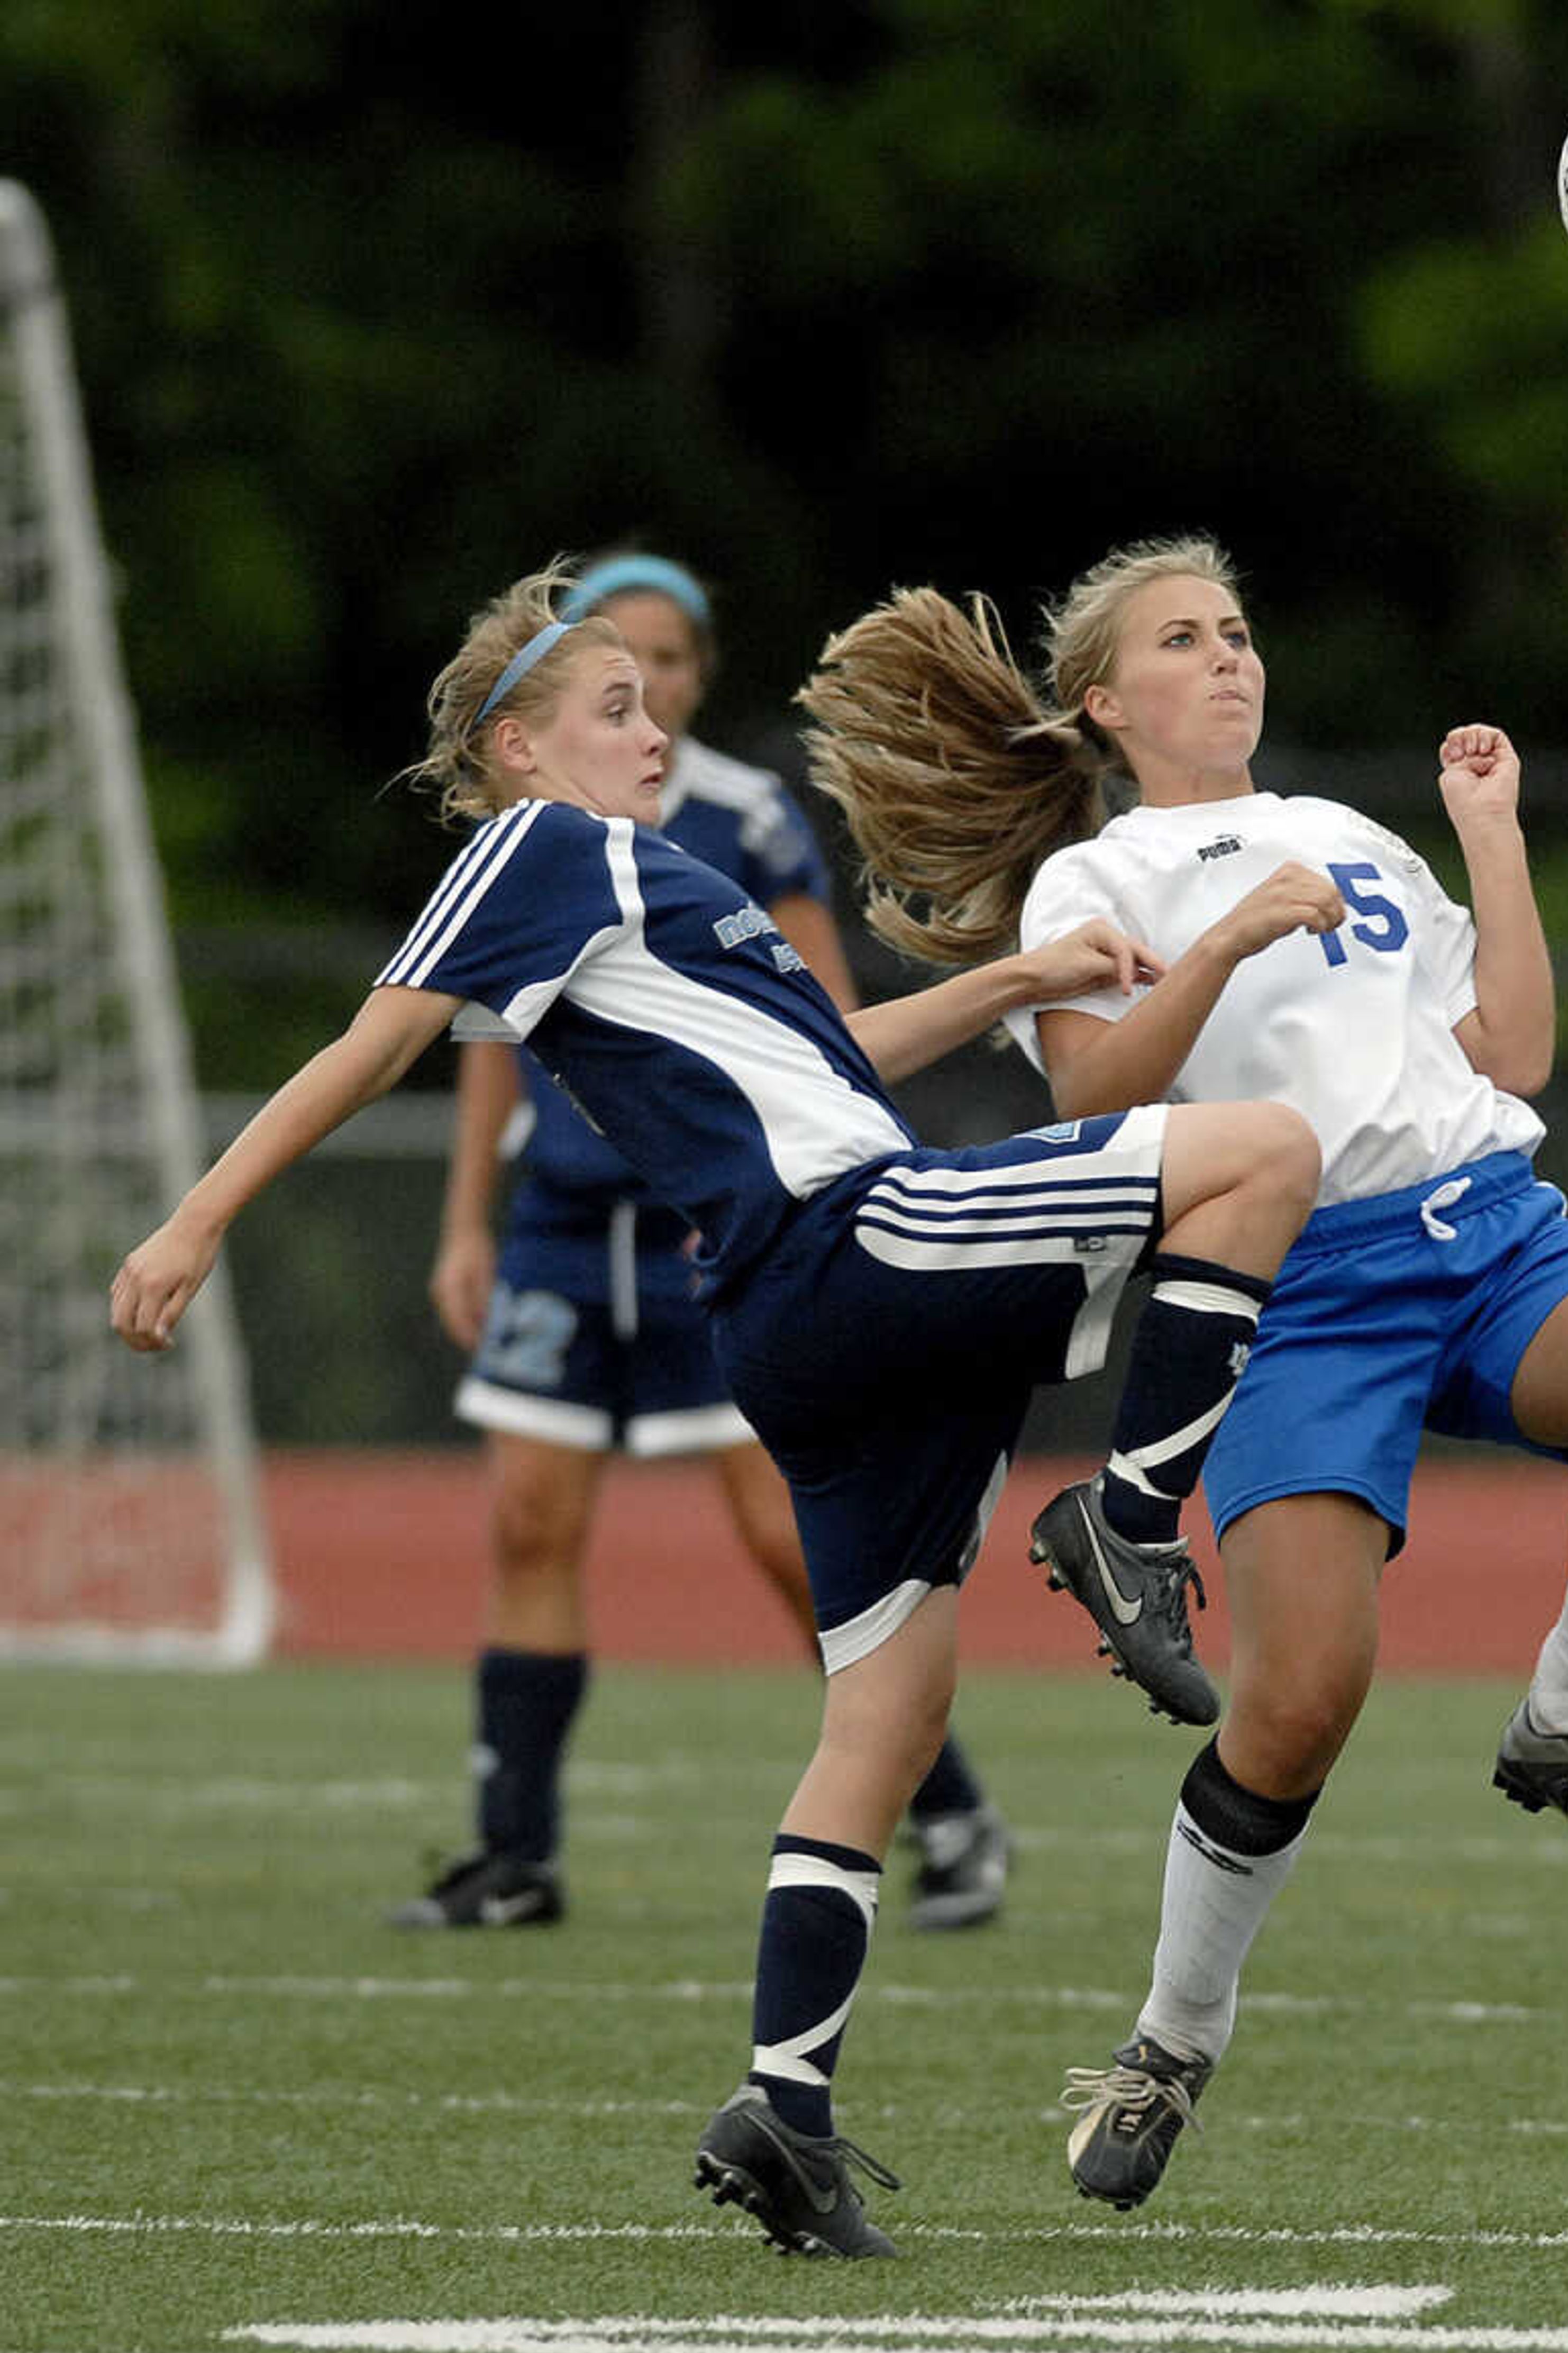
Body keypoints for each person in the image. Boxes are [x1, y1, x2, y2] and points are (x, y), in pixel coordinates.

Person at [108, 562, 1320, 2260]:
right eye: (608, 707)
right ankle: (1126, 1527)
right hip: (846, 1249)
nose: (648, 723)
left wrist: (1012, 978)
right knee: (1264, 1148)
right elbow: (375, 1042)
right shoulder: (541, 845)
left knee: (887, 1717)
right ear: (516, 748)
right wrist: (196, 1214)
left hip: (801, 1316)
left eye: (650, 697)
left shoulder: (654, 875)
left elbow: (829, 1057)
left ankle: (787, 2111)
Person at [798, 534, 1568, 2213]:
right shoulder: (1097, 883)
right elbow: (1100, 1104)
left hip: (1493, 1227)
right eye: (1186, 638)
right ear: (1109, 701)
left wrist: (1494, 841)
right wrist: (1227, 941)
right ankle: (1171, 2037)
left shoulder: (1350, 831)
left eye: (1239, 629)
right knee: (1301, 1697)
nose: (1230, 658)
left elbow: (1512, 1052)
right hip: (1302, 1291)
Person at [406, 550, 1009, 1938]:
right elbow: (486, 1031)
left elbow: (830, 1025)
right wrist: (465, 1220)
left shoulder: (736, 813)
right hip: (562, 1230)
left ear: (700, 667)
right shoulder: (536, 834)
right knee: (528, 1518)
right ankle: (515, 1852)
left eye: (669, 661)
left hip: (715, 1226)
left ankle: (947, 1797)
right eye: (625, 668)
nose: (654, 691)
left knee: (785, 1536)